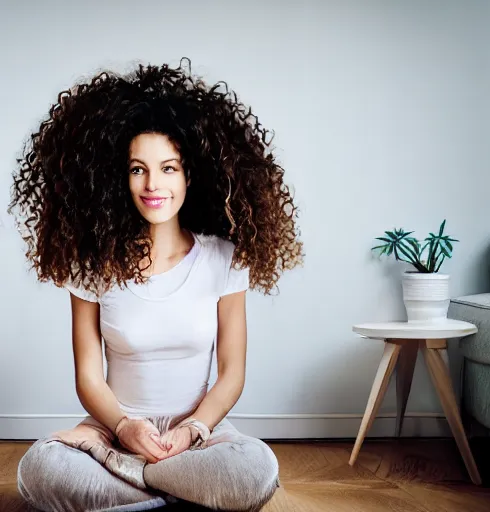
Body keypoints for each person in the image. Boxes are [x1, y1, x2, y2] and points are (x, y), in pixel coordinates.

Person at [8, 59, 303, 512]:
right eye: (136, 169)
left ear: (190, 175)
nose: (153, 184)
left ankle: (138, 489)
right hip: (114, 432)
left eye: (168, 168)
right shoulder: (92, 265)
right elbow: (88, 375)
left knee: (255, 468)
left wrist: (193, 430)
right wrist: (125, 429)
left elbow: (231, 373)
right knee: (40, 468)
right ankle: (171, 492)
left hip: (199, 435)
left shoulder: (225, 258)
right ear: (116, 178)